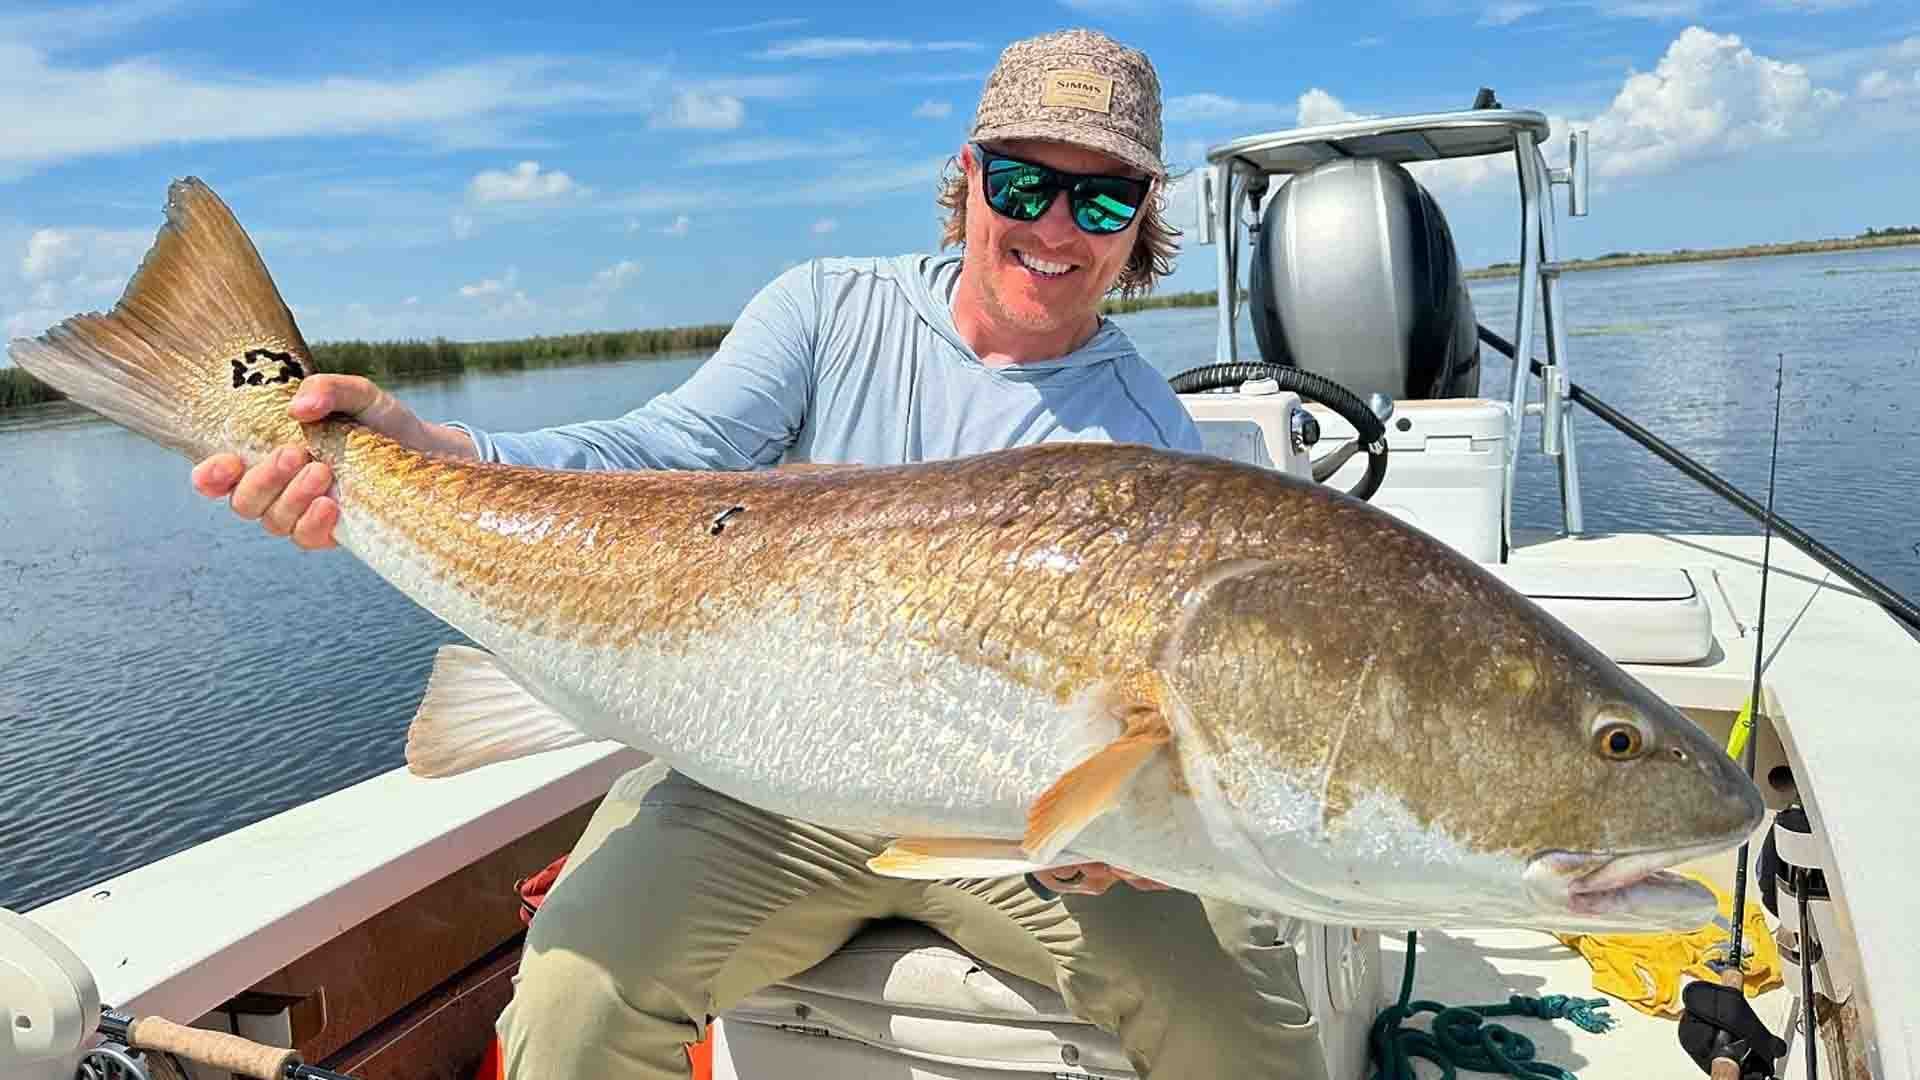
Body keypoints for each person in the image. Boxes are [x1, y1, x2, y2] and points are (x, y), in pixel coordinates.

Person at [190, 28, 1325, 1080]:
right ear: (968, 178)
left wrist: (1134, 835)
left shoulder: (1146, 436)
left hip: (1015, 821)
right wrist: (427, 448)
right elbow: (653, 455)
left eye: (1104, 196)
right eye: (1024, 183)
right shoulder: (829, 310)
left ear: (1143, 220)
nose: (1055, 228)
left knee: (1241, 1028)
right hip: (758, 776)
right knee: (574, 1004)